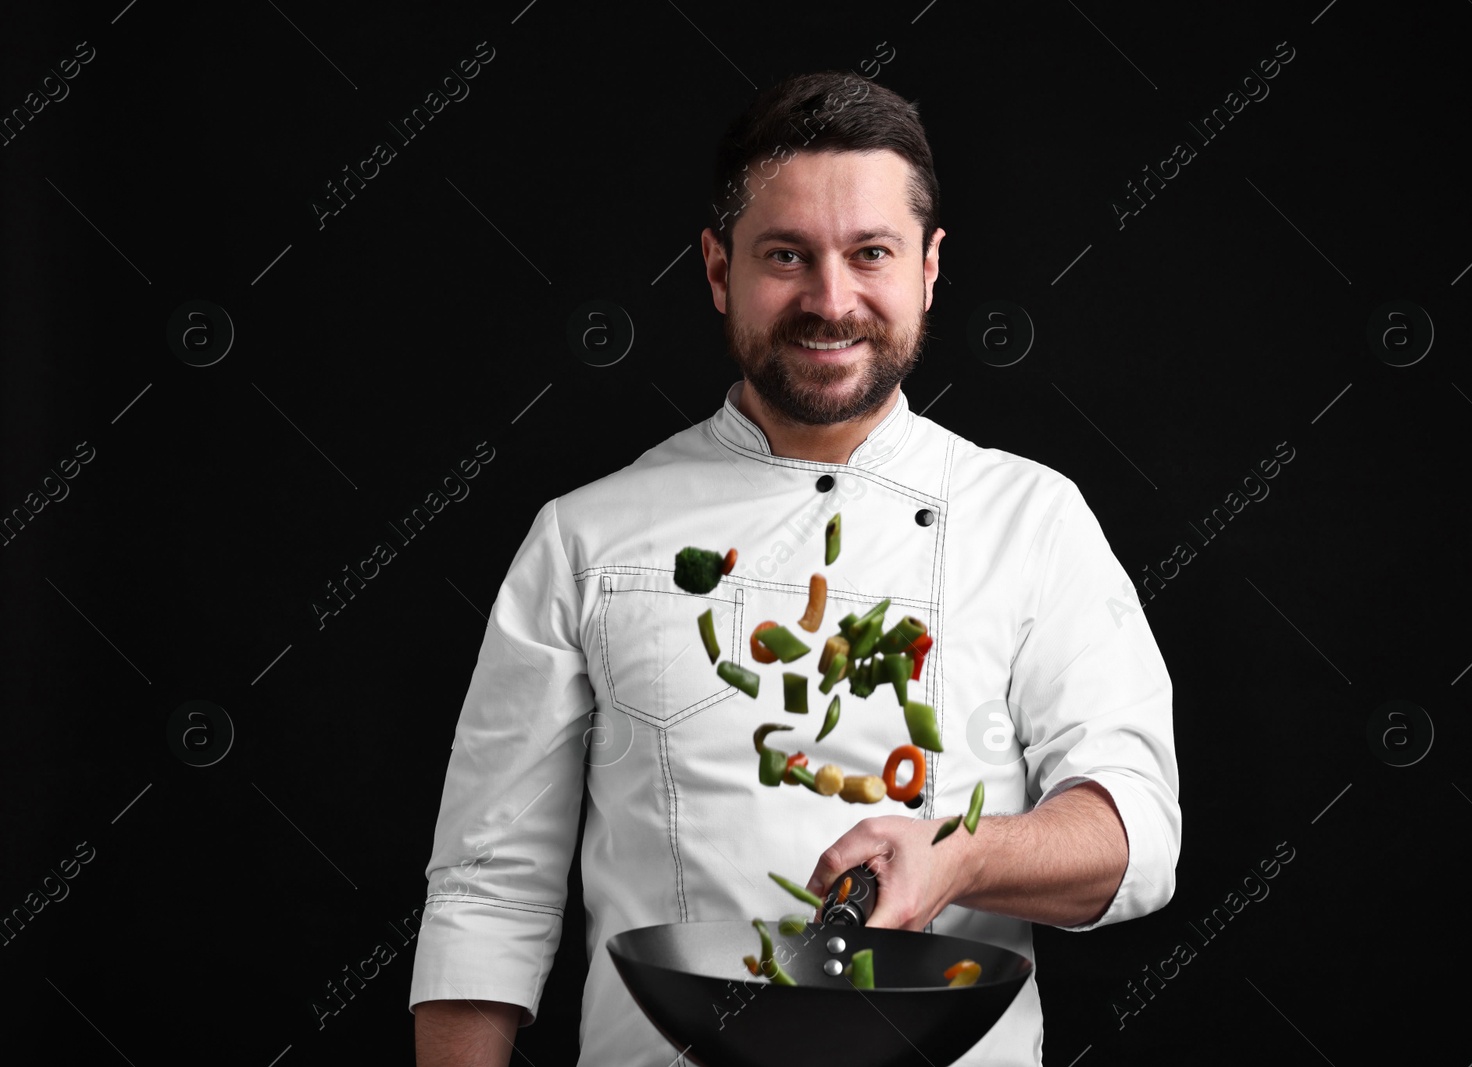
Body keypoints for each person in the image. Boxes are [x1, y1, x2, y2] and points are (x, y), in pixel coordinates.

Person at [410, 70, 1180, 1066]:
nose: (830, 299)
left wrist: (960, 853)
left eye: (870, 254)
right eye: (786, 255)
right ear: (718, 268)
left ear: (928, 269)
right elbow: (488, 881)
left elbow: (1134, 837)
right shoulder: (584, 538)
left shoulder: (1031, 520)